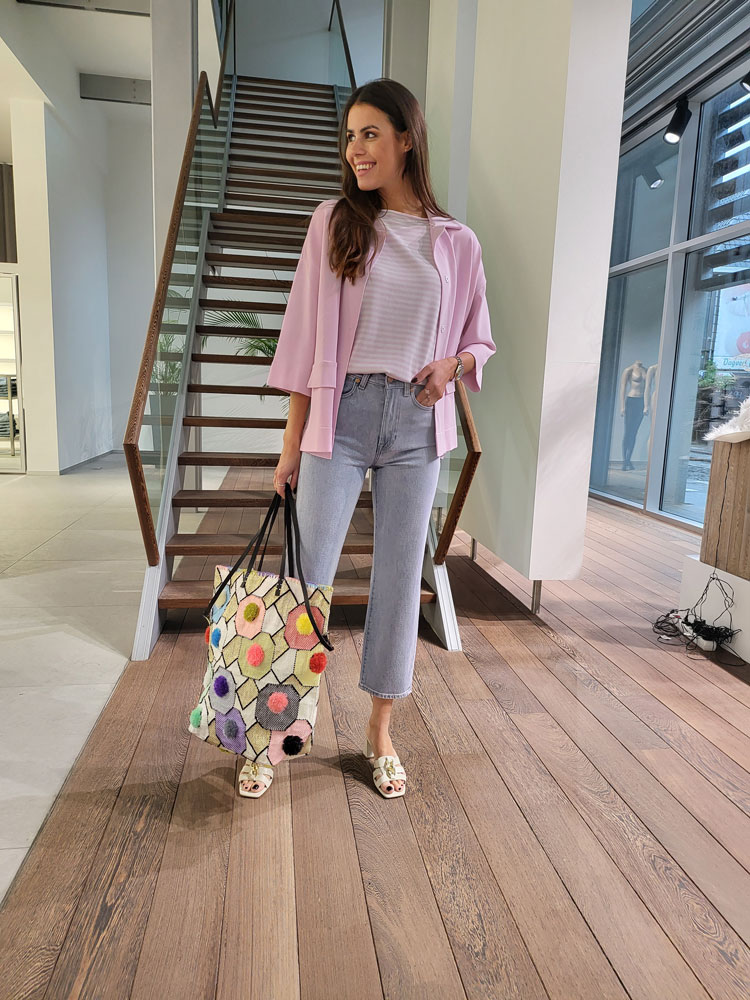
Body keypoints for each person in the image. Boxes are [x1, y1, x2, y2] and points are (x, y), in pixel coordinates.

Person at [239, 77, 496, 798]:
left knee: (398, 582)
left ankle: (380, 732)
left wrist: (454, 364)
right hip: (342, 415)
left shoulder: (457, 242)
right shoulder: (334, 222)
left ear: (407, 138)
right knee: (307, 579)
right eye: (350, 136)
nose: (356, 149)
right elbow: (302, 343)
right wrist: (290, 447)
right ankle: (273, 730)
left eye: (371, 134)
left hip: (417, 421)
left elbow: (480, 338)